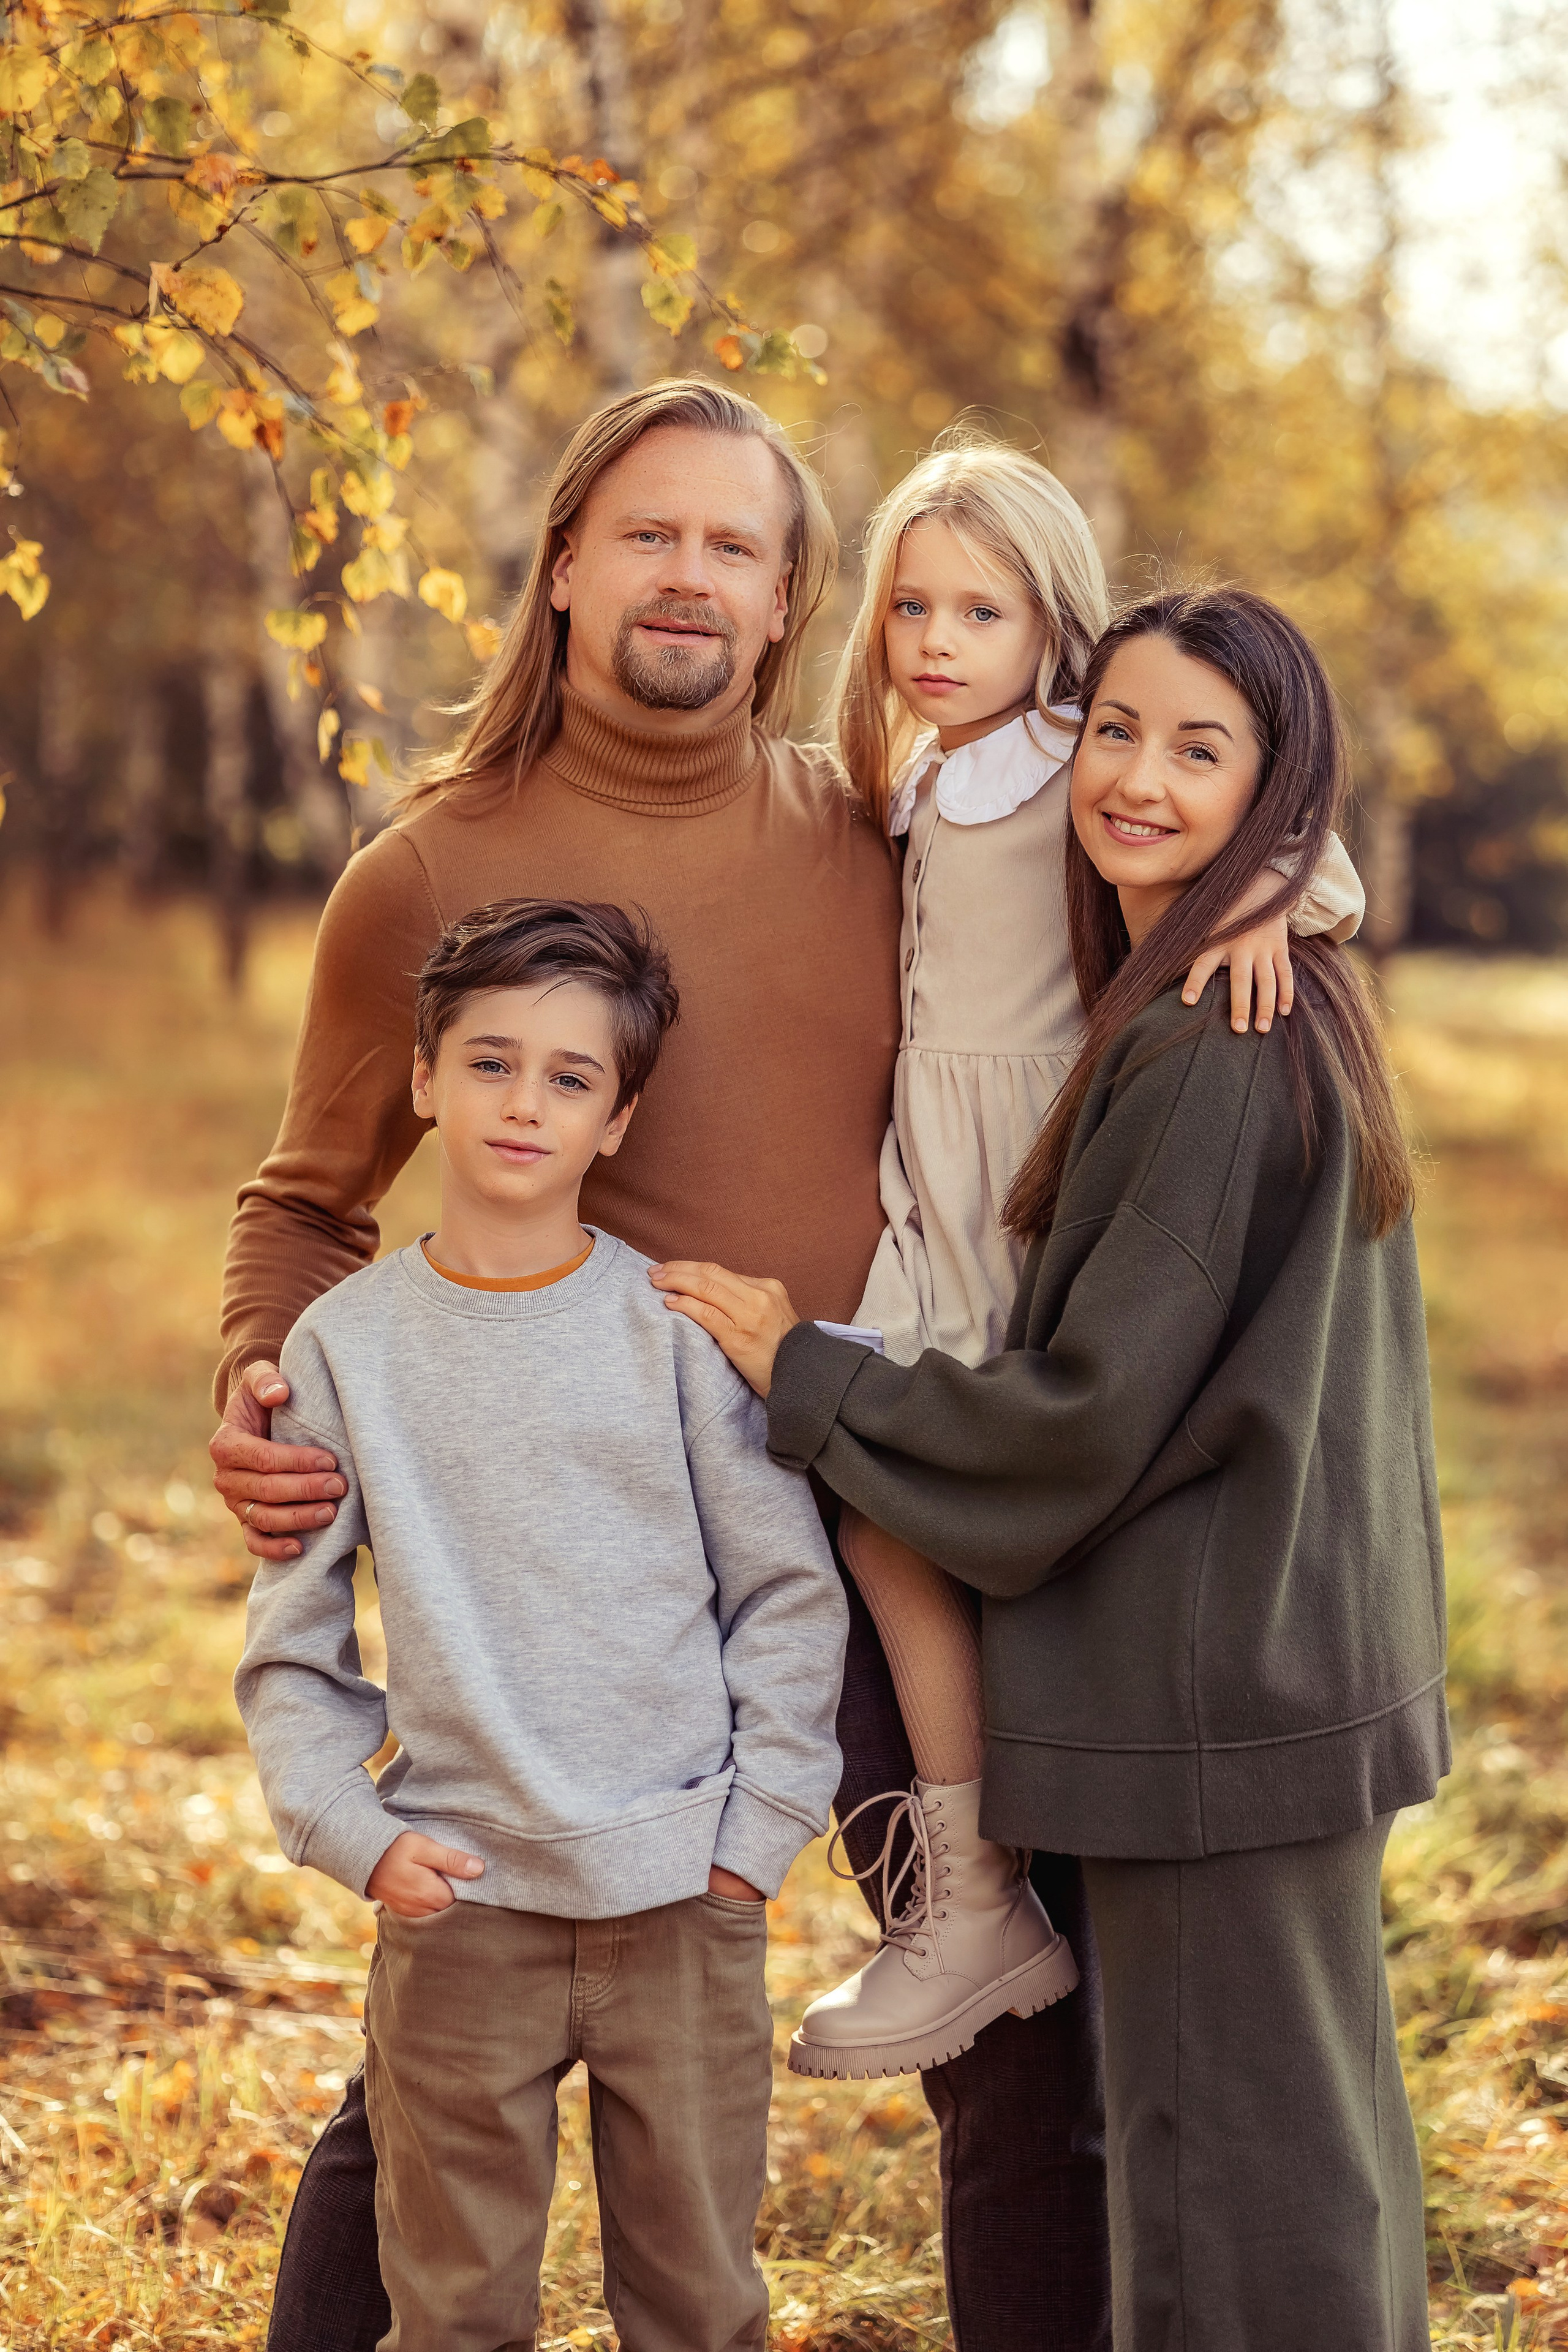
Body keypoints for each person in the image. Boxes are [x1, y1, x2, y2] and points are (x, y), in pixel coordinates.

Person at [208, 379, 1310, 2352]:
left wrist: (1286, 893)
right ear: (563, 565)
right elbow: (306, 1201)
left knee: (1000, 2012)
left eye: (737, 544)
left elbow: (1155, 816)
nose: (690, 576)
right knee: (454, 2037)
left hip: (896, 1486)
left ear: (794, 597)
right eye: (649, 533)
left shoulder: (882, 825)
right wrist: (253, 1382)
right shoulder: (426, 875)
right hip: (599, 1554)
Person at [652, 584, 1447, 2352]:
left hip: (1210, 1699)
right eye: (1118, 731)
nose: (1139, 779)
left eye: (1199, 750)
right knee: (1306, 2153)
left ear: (1275, 790)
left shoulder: (1213, 1044)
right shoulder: (1247, 985)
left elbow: (1083, 1418)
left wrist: (810, 1374)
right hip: (1283, 1671)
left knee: (1224, 2197)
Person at [784, 437, 1364, 2081]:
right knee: (877, 1503)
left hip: (1019, 1178)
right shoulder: (918, 774)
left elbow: (1306, 848)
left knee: (913, 1491)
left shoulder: (1071, 754)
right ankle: (968, 1887)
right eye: (912, 607)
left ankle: (979, 1896)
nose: (937, 641)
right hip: (927, 1181)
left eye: (983, 611)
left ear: (1056, 628)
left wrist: (1261, 902)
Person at [236, 897, 848, 2352]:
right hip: (461, 1909)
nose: (525, 1104)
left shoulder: (675, 1333)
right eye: (491, 1063)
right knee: (450, 2311)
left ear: (617, 1119)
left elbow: (783, 1592)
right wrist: (351, 1830)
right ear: (423, 1080)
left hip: (685, 1902)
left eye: (570, 1078)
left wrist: (755, 1832)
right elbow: (292, 1637)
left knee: (699, 2308)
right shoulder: (342, 1349)